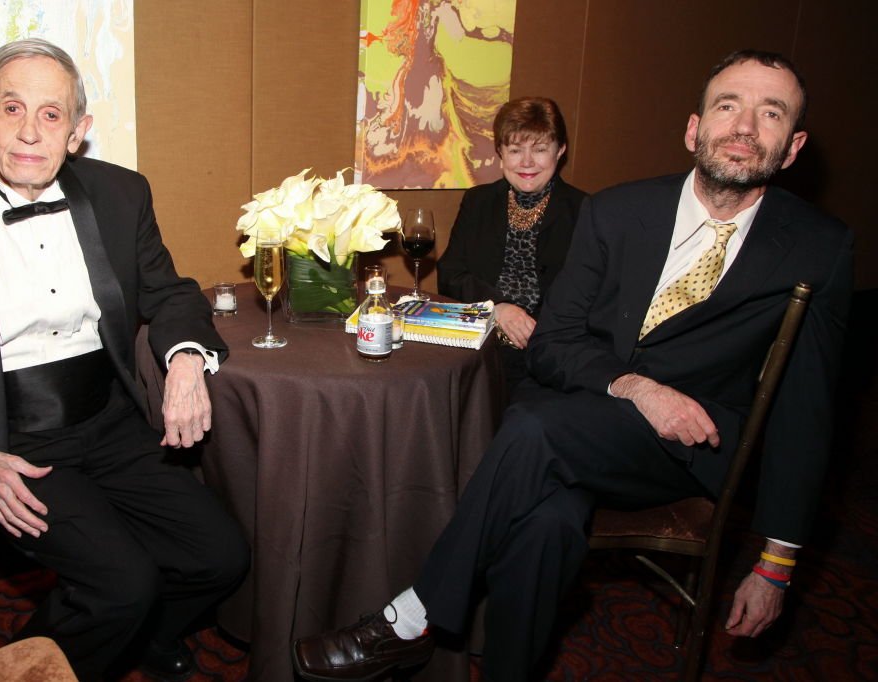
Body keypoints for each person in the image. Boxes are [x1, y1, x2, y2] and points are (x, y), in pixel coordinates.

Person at [293, 49, 853, 681]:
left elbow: (807, 411)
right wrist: (635, 386)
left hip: (686, 445)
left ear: (794, 143)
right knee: (545, 524)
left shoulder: (819, 248)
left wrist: (777, 561)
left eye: (770, 112)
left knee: (531, 430)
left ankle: (412, 614)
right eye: (728, 105)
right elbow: (555, 341)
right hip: (580, 415)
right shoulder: (618, 211)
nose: (745, 125)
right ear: (695, 128)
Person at [0, 38, 249, 681]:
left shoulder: (120, 193)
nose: (28, 132)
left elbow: (171, 292)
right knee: (123, 583)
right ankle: (69, 649)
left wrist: (186, 360)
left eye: (51, 115)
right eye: (12, 109)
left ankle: (107, 637)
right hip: (3, 437)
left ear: (78, 132)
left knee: (219, 556)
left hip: (108, 419)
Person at [438, 97, 586, 394]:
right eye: (516, 150)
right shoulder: (477, 201)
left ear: (561, 151)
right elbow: (449, 274)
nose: (527, 162)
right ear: (500, 154)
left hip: (546, 357)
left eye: (540, 149)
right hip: (479, 347)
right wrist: (499, 307)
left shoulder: (585, 210)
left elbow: (587, 297)